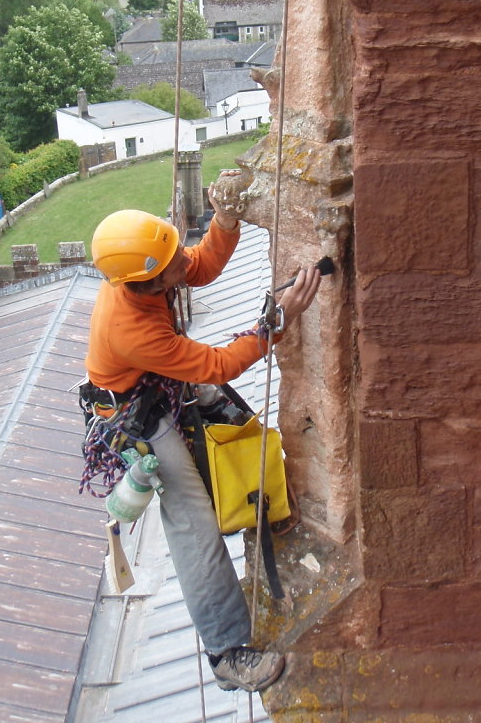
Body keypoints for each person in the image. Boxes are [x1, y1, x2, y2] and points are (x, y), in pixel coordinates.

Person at [84, 185, 321, 693]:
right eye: (172, 264)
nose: (181, 264)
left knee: (230, 414)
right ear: (146, 283)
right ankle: (227, 652)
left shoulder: (151, 272)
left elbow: (203, 265)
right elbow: (215, 362)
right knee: (193, 522)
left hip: (156, 381)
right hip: (137, 415)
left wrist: (225, 222)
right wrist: (277, 321)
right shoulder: (133, 328)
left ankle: (262, 499)